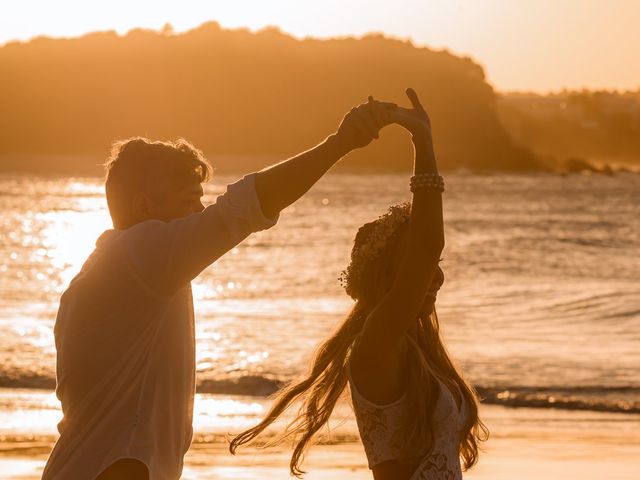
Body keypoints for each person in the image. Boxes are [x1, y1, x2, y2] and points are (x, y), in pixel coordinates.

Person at [41, 98, 395, 480]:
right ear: (143, 206)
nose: (199, 214)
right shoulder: (140, 253)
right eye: (189, 202)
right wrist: (339, 143)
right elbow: (246, 207)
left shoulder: (111, 271)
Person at [230, 89, 488, 480]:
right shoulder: (376, 343)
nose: (435, 276)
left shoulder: (418, 351)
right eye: (421, 266)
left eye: (437, 265)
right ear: (390, 276)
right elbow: (427, 244)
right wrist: (423, 140)